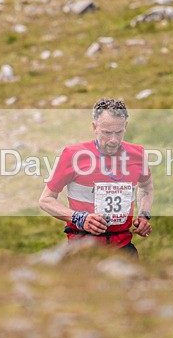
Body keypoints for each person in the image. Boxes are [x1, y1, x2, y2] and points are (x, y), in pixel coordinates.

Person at [39, 97, 154, 258]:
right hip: (83, 248)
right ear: (95, 127)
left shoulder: (138, 154)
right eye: (107, 132)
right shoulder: (73, 155)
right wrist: (79, 218)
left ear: (125, 126)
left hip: (123, 248)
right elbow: (45, 200)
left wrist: (144, 215)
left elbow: (146, 187)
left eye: (119, 132)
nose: (113, 140)